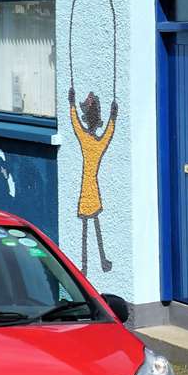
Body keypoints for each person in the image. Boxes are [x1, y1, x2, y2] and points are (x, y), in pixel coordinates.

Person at [69, 87, 117, 276]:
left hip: (87, 187)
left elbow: (75, 124)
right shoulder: (97, 143)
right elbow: (108, 133)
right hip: (92, 187)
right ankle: (99, 261)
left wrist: (71, 105)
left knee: (87, 226)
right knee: (92, 223)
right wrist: (113, 117)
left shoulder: (86, 140)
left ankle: (86, 264)